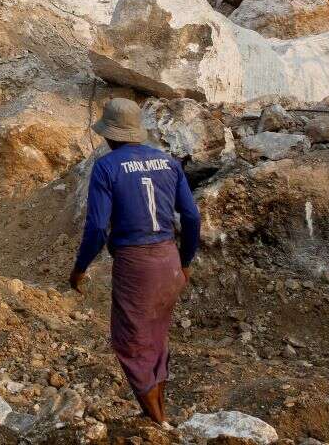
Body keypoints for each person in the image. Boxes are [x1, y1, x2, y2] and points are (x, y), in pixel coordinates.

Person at [69, 98, 201, 426]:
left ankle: (158, 423)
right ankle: (161, 414)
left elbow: (98, 226)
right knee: (156, 338)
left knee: (129, 343)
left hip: (135, 266)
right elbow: (192, 216)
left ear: (109, 135)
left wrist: (80, 268)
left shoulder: (107, 166)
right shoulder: (168, 162)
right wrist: (185, 262)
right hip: (169, 260)